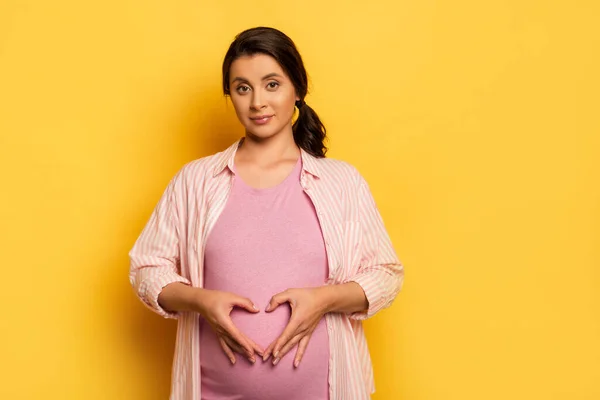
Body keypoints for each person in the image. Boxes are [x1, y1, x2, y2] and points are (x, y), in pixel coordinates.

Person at [129, 26, 404, 400]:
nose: (257, 101)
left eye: (272, 84)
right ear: (231, 95)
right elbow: (146, 268)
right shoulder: (195, 181)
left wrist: (324, 299)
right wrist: (201, 301)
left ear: (297, 89)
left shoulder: (341, 183)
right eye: (243, 88)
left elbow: (385, 275)